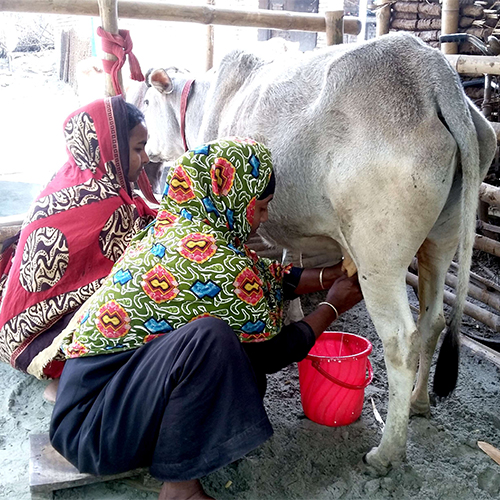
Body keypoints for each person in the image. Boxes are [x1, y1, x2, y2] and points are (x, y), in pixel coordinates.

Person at [49, 138, 363, 500]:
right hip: (92, 429)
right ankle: (180, 490)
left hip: (108, 402)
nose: (264, 219)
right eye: (260, 207)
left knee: (238, 371)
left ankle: (172, 458)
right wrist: (333, 307)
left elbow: (264, 275)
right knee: (211, 342)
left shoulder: (184, 228)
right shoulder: (210, 258)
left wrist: (331, 275)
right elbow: (273, 352)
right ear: (232, 196)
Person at [0, 96, 155, 385]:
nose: (146, 159)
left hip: (11, 327)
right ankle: (70, 383)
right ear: (113, 148)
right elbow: (133, 270)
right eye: (138, 148)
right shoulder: (108, 204)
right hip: (41, 342)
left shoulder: (69, 177)